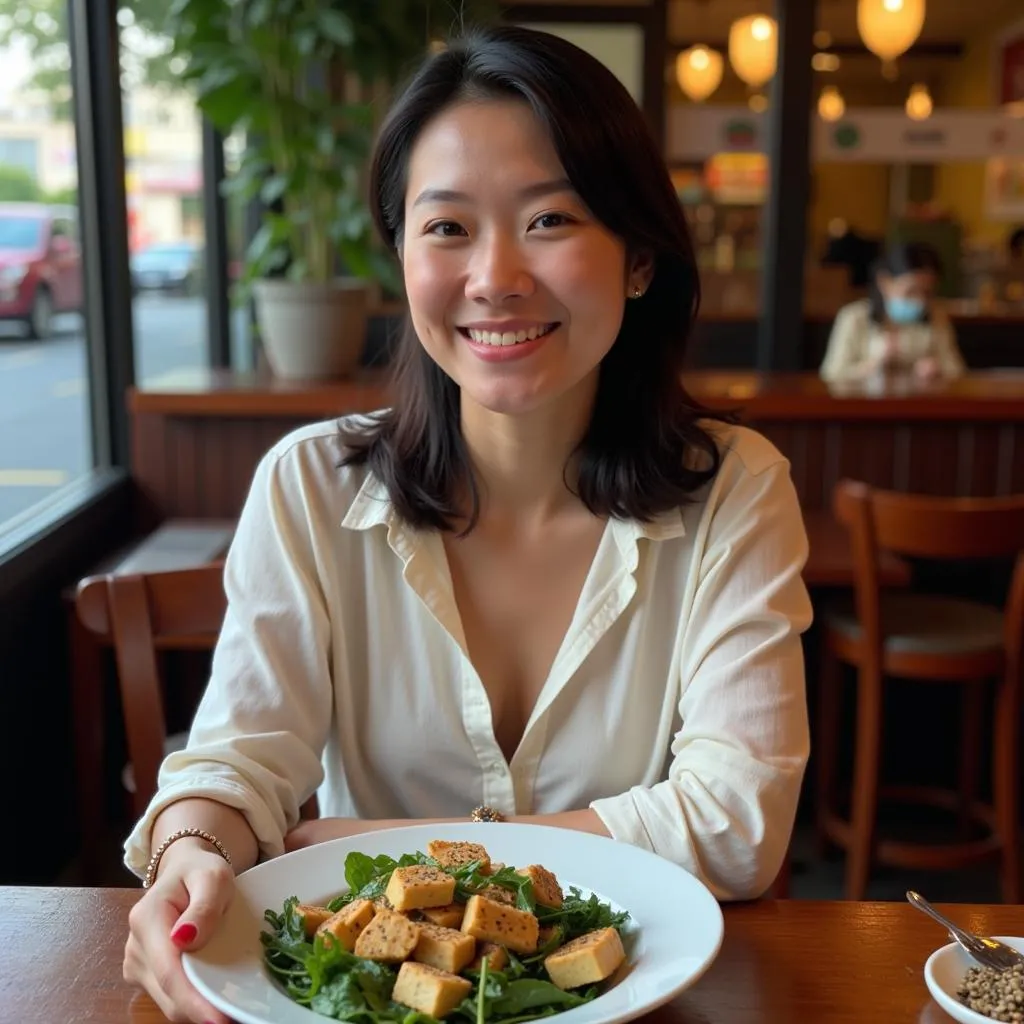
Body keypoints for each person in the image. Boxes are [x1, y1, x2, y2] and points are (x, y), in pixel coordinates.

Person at [122, 25, 813, 1024]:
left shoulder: (735, 490)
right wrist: (190, 854)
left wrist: (357, 840)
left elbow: (739, 827)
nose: (494, 276)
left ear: (638, 259)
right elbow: (239, 763)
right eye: (446, 227)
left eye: (551, 219)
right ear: (402, 252)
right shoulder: (310, 485)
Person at [819, 242, 965, 385]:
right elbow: (831, 374)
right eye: (911, 291)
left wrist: (937, 370)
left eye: (927, 293)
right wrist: (871, 367)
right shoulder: (853, 317)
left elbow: (958, 371)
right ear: (884, 282)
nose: (920, 300)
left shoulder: (936, 317)